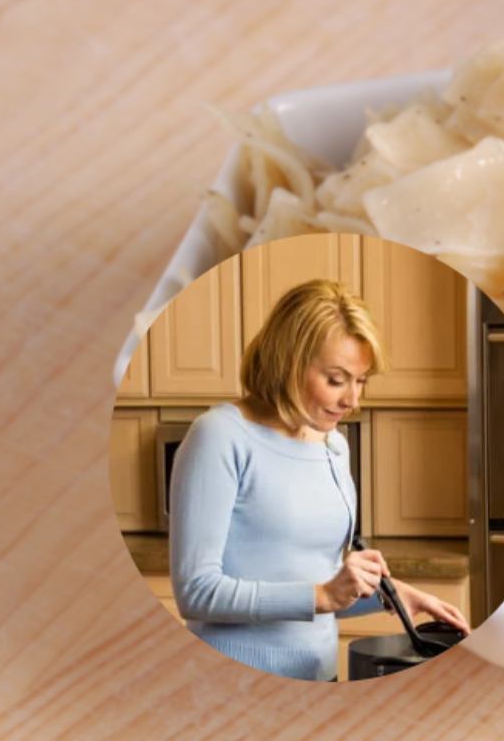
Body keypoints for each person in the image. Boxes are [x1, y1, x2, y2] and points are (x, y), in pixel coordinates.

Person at [169, 278, 470, 681]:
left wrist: (397, 597)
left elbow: (320, 591)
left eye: (360, 380)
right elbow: (197, 593)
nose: (353, 400)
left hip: (319, 676)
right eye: (336, 379)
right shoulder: (220, 436)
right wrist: (323, 594)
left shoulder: (333, 445)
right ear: (289, 362)